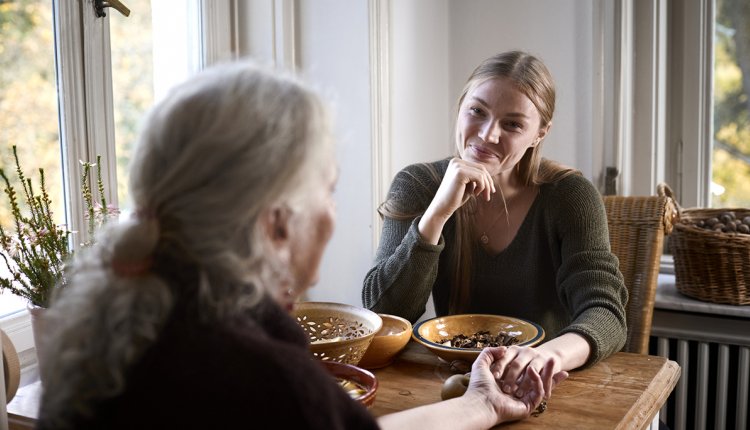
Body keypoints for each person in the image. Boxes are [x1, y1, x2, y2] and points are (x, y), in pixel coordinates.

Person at [35, 61, 566, 430]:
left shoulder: (115, 320)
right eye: (329, 190)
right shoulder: (263, 377)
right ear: (276, 223)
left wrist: (479, 405)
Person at [362, 50, 628, 399]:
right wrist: (437, 214)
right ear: (460, 108)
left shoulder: (569, 197)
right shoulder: (418, 185)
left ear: (539, 133)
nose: (487, 135)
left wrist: (541, 357)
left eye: (513, 124)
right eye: (477, 111)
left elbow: (606, 313)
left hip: (546, 386)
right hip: (454, 387)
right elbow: (382, 314)